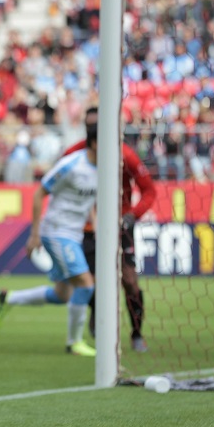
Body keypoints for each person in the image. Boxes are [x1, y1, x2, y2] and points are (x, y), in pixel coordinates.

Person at [0, 107, 99, 357]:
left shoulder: (103, 169)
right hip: (57, 231)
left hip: (74, 233)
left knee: (63, 294)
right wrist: (35, 234)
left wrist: (95, 226)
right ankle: (74, 343)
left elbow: (87, 202)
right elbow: (40, 192)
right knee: (86, 284)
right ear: (95, 143)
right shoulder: (72, 165)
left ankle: (8, 299)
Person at [62, 128, 157, 353]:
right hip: (88, 228)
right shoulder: (76, 153)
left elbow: (149, 191)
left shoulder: (126, 155)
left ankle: (137, 334)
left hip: (120, 226)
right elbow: (60, 179)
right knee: (89, 282)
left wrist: (133, 215)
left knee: (130, 281)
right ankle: (96, 312)